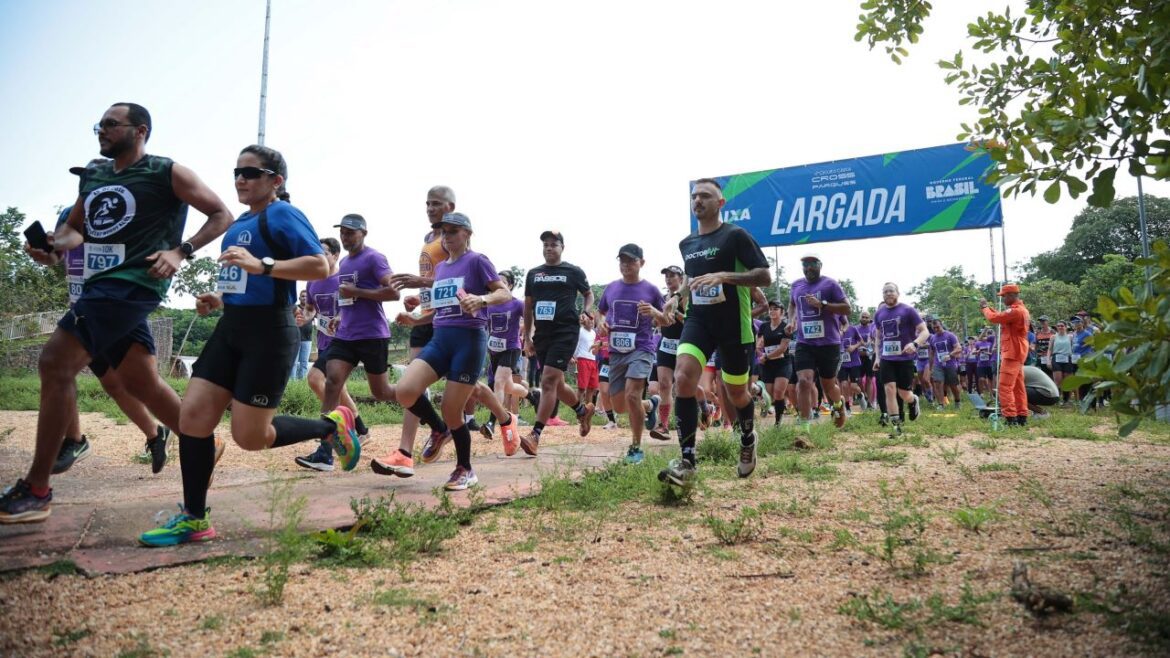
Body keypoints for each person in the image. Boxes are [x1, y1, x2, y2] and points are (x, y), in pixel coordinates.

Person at [2, 103, 233, 524]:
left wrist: (182, 251)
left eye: (110, 124)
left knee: (55, 363)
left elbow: (221, 214)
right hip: (99, 286)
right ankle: (199, 439)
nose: (101, 131)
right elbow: (76, 229)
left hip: (133, 285)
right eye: (99, 125)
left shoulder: (167, 171)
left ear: (139, 130)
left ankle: (36, 489)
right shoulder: (95, 175)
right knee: (138, 380)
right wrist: (54, 248)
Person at [139, 144, 358, 546]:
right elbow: (241, 280)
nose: (240, 179)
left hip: (269, 334)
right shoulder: (240, 222)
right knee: (193, 420)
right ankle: (194, 518)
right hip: (231, 328)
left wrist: (264, 265)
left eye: (251, 172)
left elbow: (320, 265)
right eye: (236, 172)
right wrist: (218, 298)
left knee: (250, 438)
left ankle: (332, 425)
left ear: (276, 180)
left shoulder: (283, 214)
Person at [380, 212, 517, 489]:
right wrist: (416, 319)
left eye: (453, 231)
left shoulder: (478, 261)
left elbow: (504, 293)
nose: (448, 236)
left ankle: (465, 468)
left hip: (469, 340)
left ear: (468, 233)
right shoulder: (441, 269)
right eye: (444, 231)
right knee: (405, 390)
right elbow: (440, 309)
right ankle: (439, 429)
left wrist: (482, 299)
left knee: (452, 409)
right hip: (441, 339)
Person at [48, 172, 171, 478]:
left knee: (141, 385)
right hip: (83, 306)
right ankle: (152, 435)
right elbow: (57, 256)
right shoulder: (69, 216)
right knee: (106, 382)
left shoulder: (124, 213)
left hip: (116, 307)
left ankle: (197, 440)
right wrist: (45, 251)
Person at [660, 178, 771, 487]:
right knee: (683, 377)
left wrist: (725, 276)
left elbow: (764, 276)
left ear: (720, 203)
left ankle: (748, 438)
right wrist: (676, 297)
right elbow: (690, 280)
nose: (699, 201)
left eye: (706, 196)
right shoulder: (688, 244)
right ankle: (687, 461)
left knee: (736, 393)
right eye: (695, 196)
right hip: (699, 320)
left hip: (734, 324)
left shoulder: (735, 235)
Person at [293, 237, 369, 471]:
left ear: (335, 256)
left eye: (324, 252)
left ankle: (327, 448)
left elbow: (354, 307)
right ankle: (361, 430)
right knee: (338, 390)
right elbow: (311, 308)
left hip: (344, 342)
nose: (319, 256)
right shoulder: (313, 282)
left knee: (315, 379)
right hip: (325, 342)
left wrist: (341, 318)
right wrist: (305, 317)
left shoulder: (341, 279)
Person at [519, 230, 596, 456]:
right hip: (543, 334)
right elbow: (528, 306)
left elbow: (588, 295)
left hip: (566, 331)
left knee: (548, 380)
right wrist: (527, 337)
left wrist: (586, 311)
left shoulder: (573, 271)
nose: (549, 248)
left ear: (562, 247)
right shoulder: (534, 274)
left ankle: (535, 434)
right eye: (545, 245)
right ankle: (582, 411)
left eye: (553, 244)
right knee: (558, 384)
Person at [595, 243, 666, 464]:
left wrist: (654, 311)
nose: (626, 265)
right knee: (619, 405)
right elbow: (599, 313)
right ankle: (649, 405)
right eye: (622, 260)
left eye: (631, 261)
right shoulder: (611, 288)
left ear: (641, 263)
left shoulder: (651, 290)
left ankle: (636, 448)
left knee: (633, 394)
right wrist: (602, 322)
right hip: (616, 352)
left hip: (641, 349)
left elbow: (667, 319)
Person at [786, 253, 851, 434]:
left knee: (828, 384)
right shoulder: (796, 285)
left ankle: (838, 404)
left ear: (820, 266)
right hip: (804, 342)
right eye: (805, 266)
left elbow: (847, 308)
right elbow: (792, 304)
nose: (809, 269)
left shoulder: (830, 284)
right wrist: (791, 320)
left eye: (812, 265)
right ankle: (805, 428)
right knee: (804, 382)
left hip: (829, 343)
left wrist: (822, 304)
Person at [872, 282, 929, 436]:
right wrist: (877, 358)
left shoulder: (908, 310)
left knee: (904, 393)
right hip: (886, 358)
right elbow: (878, 337)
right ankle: (896, 427)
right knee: (889, 389)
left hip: (905, 358)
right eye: (885, 292)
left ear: (897, 293)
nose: (888, 294)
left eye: (891, 291)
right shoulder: (879, 314)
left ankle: (913, 401)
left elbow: (925, 332)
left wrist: (915, 344)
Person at [480, 270, 528, 438]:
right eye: (496, 283)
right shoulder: (488, 305)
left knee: (499, 384)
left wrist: (530, 338)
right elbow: (481, 322)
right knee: (508, 386)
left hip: (511, 348)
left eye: (503, 283)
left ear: (510, 286)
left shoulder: (517, 304)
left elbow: (530, 319)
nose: (498, 287)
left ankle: (493, 422)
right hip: (493, 349)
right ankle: (532, 395)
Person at [981, 283, 1031, 426]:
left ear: (1011, 295)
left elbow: (994, 318)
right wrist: (988, 309)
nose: (1003, 299)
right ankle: (1022, 416)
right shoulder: (1021, 310)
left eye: (1004, 296)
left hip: (1013, 351)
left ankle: (1010, 418)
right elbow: (999, 316)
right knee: (1017, 386)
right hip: (1018, 350)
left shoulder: (1016, 311)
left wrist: (985, 308)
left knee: (1004, 386)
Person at [649, 265, 686, 440]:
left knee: (682, 387)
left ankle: (686, 421)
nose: (669, 279)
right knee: (664, 384)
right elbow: (659, 322)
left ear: (681, 278)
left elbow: (689, 322)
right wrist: (656, 316)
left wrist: (675, 310)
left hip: (684, 346)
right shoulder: (663, 299)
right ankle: (663, 425)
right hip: (665, 345)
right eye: (667, 276)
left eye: (672, 276)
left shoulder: (686, 298)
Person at [757, 300, 794, 425]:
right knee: (770, 394)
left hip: (783, 363)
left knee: (779, 392)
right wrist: (760, 353)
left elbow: (782, 349)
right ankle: (762, 396)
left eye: (775, 309)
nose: (772, 311)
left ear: (782, 312)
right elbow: (758, 344)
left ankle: (778, 422)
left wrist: (766, 356)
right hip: (768, 365)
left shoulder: (786, 327)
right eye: (770, 309)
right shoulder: (764, 326)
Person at [927, 317, 963, 409]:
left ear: (941, 325)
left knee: (953, 385)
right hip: (938, 364)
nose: (936, 329)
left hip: (950, 364)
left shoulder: (950, 335)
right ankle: (941, 404)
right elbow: (931, 353)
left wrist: (950, 355)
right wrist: (930, 367)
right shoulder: (932, 338)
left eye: (937, 327)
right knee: (938, 383)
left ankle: (957, 401)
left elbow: (959, 348)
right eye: (934, 328)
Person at [574, 312, 600, 419]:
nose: (591, 321)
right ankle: (577, 409)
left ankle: (587, 410)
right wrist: (574, 357)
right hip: (582, 359)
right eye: (589, 319)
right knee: (581, 388)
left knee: (592, 388)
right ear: (585, 321)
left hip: (593, 360)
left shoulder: (594, 333)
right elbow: (575, 344)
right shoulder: (580, 331)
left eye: (593, 319)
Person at [1048, 320, 1076, 403]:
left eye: (1062, 326)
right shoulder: (1053, 337)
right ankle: (1056, 399)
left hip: (1067, 358)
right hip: (1056, 358)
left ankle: (1066, 400)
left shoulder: (1070, 337)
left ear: (1066, 327)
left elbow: (1073, 349)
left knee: (1067, 381)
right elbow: (1049, 349)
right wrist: (1048, 360)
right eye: (1059, 326)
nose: (1060, 327)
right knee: (1058, 380)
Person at [290, 290, 313, 379]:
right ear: (299, 298)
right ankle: (292, 383)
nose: (304, 298)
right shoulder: (295, 309)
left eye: (306, 296)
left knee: (304, 363)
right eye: (303, 296)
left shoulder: (311, 309)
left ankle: (301, 382)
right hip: (295, 339)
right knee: (294, 363)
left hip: (308, 340)